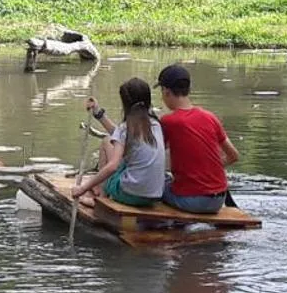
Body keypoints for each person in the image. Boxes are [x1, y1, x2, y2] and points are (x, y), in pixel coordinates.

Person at [154, 63, 237, 213]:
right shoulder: (210, 117)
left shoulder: (169, 121)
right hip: (218, 200)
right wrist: (208, 170)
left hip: (192, 201)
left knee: (156, 182)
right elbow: (233, 156)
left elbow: (152, 155)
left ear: (166, 91)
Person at [73, 77, 166, 208]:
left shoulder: (127, 127)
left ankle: (100, 198)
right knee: (115, 148)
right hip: (154, 195)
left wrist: (82, 188)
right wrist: (99, 114)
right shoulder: (156, 124)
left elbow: (113, 166)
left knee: (106, 142)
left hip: (132, 195)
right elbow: (119, 135)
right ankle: (99, 189)